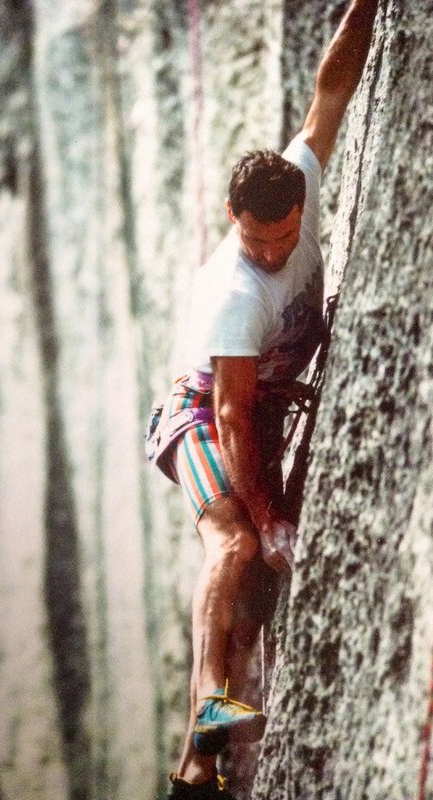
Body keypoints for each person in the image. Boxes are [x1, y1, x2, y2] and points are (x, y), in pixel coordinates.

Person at [154, 2, 379, 797]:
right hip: (207, 409)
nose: (275, 250)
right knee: (237, 546)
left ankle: (210, 747)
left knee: (254, 596)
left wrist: (369, 8)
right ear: (232, 218)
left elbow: (331, 94)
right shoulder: (232, 293)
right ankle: (200, 734)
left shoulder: (298, 184)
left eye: (285, 237)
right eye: (259, 240)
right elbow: (228, 415)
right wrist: (270, 515)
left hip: (264, 409)